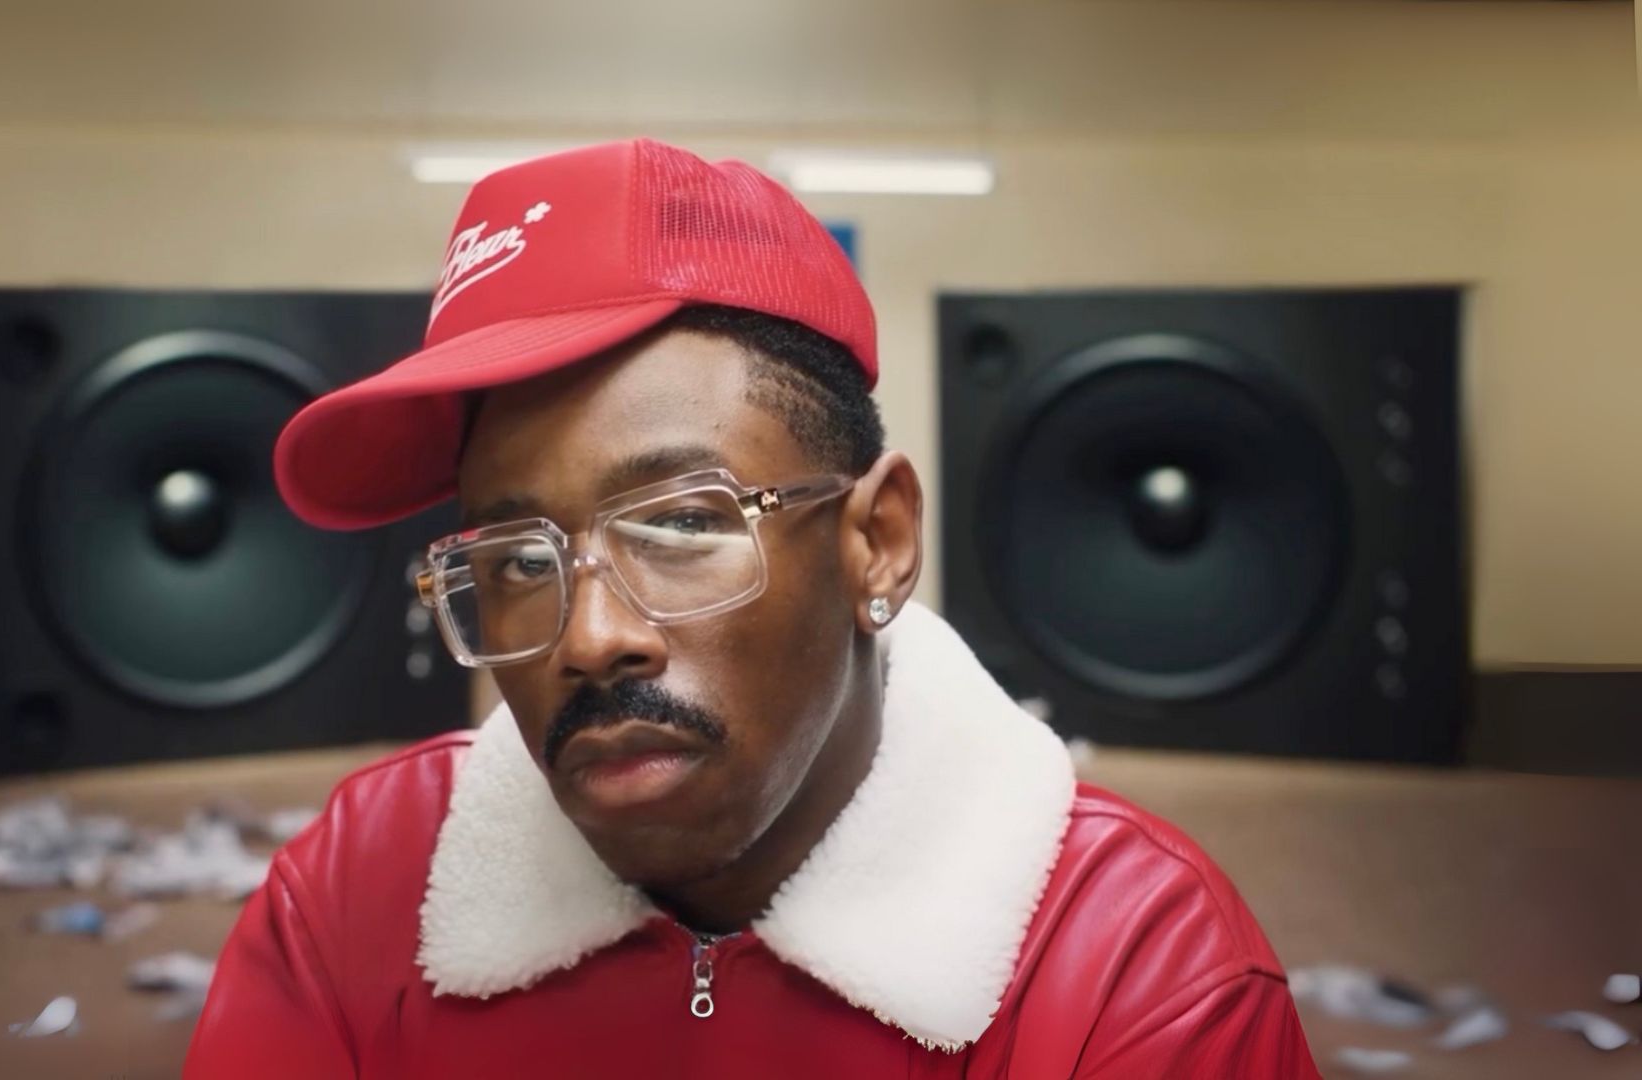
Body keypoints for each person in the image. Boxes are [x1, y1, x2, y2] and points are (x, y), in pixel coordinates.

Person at [186, 138, 1321, 1079]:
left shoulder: (1140, 974)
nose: (590, 640)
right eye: (520, 559)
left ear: (877, 543)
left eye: (684, 524)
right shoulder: (357, 884)